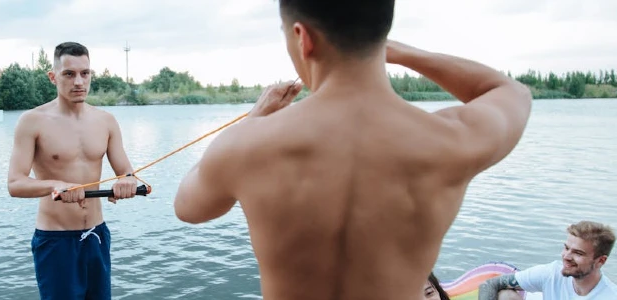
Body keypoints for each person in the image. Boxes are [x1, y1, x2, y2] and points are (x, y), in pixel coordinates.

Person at [172, 0, 533, 299]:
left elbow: (187, 208)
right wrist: (399, 52)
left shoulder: (247, 144)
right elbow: (511, 92)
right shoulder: (450, 138)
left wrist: (254, 118)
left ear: (302, 38)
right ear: (381, 35)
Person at [7, 41, 139, 299]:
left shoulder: (106, 121)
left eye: (85, 73)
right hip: (56, 241)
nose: (79, 81)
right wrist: (54, 184)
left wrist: (127, 184)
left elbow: (128, 173)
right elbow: (15, 183)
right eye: (69, 74)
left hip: (97, 236)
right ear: (53, 76)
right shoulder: (32, 121)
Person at [478, 221, 617, 300]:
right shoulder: (552, 273)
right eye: (566, 248)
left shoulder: (612, 297)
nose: (566, 256)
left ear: (601, 261)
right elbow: (490, 284)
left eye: (578, 253)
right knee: (506, 295)